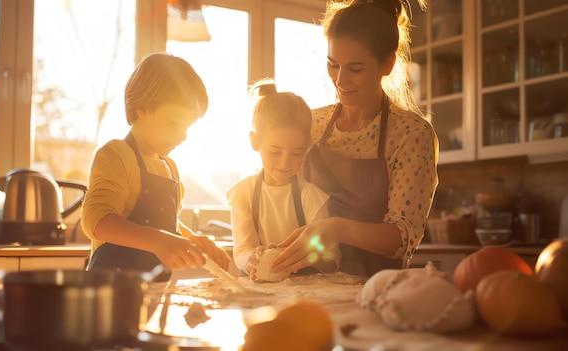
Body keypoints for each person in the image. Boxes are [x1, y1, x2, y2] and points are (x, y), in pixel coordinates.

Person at [272, 0, 439, 277]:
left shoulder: (411, 135)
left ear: (387, 63)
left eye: (356, 68)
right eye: (333, 64)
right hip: (301, 288)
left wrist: (335, 228)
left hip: (373, 290)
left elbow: (402, 237)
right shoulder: (311, 123)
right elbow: (276, 192)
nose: (340, 80)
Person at [82, 52, 231, 280]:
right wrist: (159, 240)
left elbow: (167, 225)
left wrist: (192, 240)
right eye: (174, 123)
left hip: (152, 290)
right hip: (110, 291)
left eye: (188, 126)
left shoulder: (169, 166)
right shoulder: (116, 154)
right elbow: (97, 220)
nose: (183, 136)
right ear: (143, 108)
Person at [226, 80, 340, 280]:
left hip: (305, 295)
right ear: (255, 142)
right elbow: (242, 249)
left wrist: (312, 254)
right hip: (257, 290)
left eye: (296, 153)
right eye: (275, 151)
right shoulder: (243, 193)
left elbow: (332, 259)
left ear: (306, 147)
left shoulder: (311, 196)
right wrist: (251, 260)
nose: (285, 162)